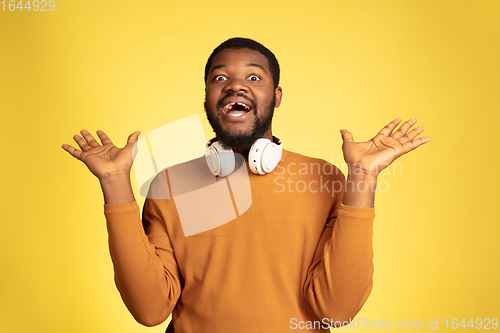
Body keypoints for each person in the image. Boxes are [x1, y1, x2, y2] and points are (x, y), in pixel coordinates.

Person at [62, 37, 430, 332]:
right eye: (220, 78)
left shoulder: (325, 180)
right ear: (207, 96)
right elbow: (149, 309)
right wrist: (114, 182)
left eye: (254, 78)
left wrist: (363, 177)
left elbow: (337, 311)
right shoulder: (170, 185)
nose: (235, 85)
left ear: (277, 96)